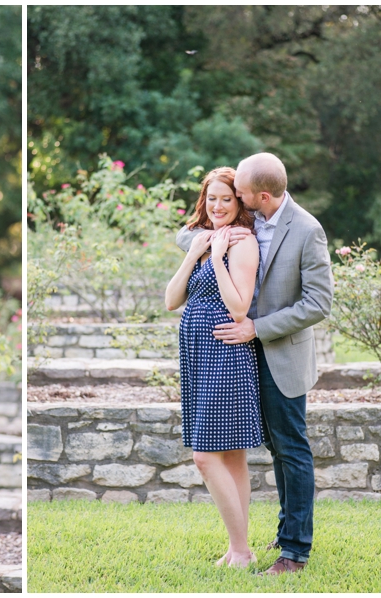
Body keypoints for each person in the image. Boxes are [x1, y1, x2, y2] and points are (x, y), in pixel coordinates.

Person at [176, 153, 333, 576]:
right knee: (254, 450)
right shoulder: (246, 221)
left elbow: (319, 303)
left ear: (261, 195)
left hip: (278, 352)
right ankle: (278, 535)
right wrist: (205, 241)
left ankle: (294, 551)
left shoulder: (306, 230)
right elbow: (191, 228)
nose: (235, 200)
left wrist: (256, 328)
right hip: (235, 356)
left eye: (241, 193)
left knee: (290, 449)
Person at [165, 166, 263, 568]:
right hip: (199, 353)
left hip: (226, 352)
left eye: (227, 198)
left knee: (205, 457)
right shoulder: (202, 239)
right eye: (212, 198)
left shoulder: (242, 242)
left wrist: (219, 258)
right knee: (233, 456)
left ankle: (240, 550)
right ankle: (238, 547)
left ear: (239, 201)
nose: (218, 205)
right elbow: (172, 299)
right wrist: (196, 252)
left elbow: (239, 307)